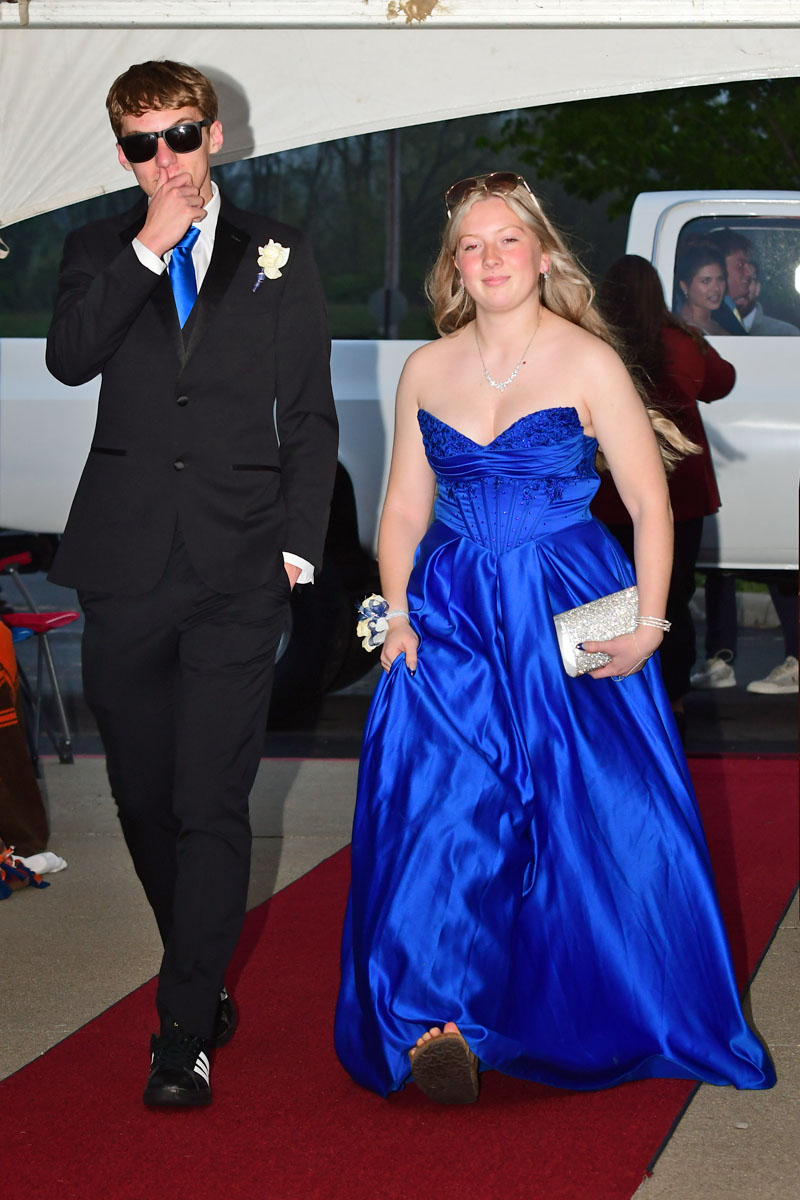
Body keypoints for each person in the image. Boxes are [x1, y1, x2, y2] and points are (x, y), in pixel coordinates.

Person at [334, 173, 774, 1104]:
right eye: (471, 245)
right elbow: (403, 507)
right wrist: (397, 611)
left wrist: (650, 625)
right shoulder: (426, 369)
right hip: (451, 610)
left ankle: (588, 1001)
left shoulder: (588, 360)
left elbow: (650, 504)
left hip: (569, 600)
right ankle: (438, 1017)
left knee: (590, 810)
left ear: (540, 255)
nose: (490, 258)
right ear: (454, 267)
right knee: (443, 809)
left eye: (507, 240)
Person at [46, 61, 338, 1107]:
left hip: (240, 564)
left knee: (212, 796)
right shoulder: (96, 251)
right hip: (124, 563)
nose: (163, 158)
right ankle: (200, 967)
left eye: (178, 135)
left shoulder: (279, 251)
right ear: (123, 154)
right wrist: (147, 249)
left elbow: (309, 413)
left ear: (214, 134)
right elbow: (69, 359)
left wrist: (297, 544)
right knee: (142, 795)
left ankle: (180, 1033)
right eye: (141, 144)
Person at [592, 254, 736, 738]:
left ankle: (614, 697)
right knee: (672, 599)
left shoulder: (597, 345)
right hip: (680, 494)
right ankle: (672, 700)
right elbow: (722, 382)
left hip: (609, 493)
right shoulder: (681, 342)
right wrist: (696, 333)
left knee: (609, 598)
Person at [675, 244, 734, 336]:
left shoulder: (723, 317)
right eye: (706, 281)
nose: (716, 288)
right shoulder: (686, 331)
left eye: (720, 279)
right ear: (684, 286)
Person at [737, 262, 800, 337]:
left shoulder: (786, 334)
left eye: (747, 281)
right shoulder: (722, 331)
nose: (740, 288)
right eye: (733, 281)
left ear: (757, 288)